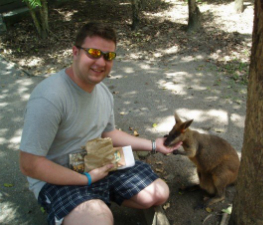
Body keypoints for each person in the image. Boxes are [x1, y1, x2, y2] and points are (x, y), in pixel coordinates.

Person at [19, 22, 181, 225]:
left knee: (158, 194)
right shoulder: (49, 98)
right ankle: (86, 207)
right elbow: (29, 165)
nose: (101, 62)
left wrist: (155, 145)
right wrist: (86, 179)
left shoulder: (103, 92)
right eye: (93, 53)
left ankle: (101, 196)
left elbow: (108, 134)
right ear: (75, 52)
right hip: (59, 175)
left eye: (108, 56)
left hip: (97, 160)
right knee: (99, 220)